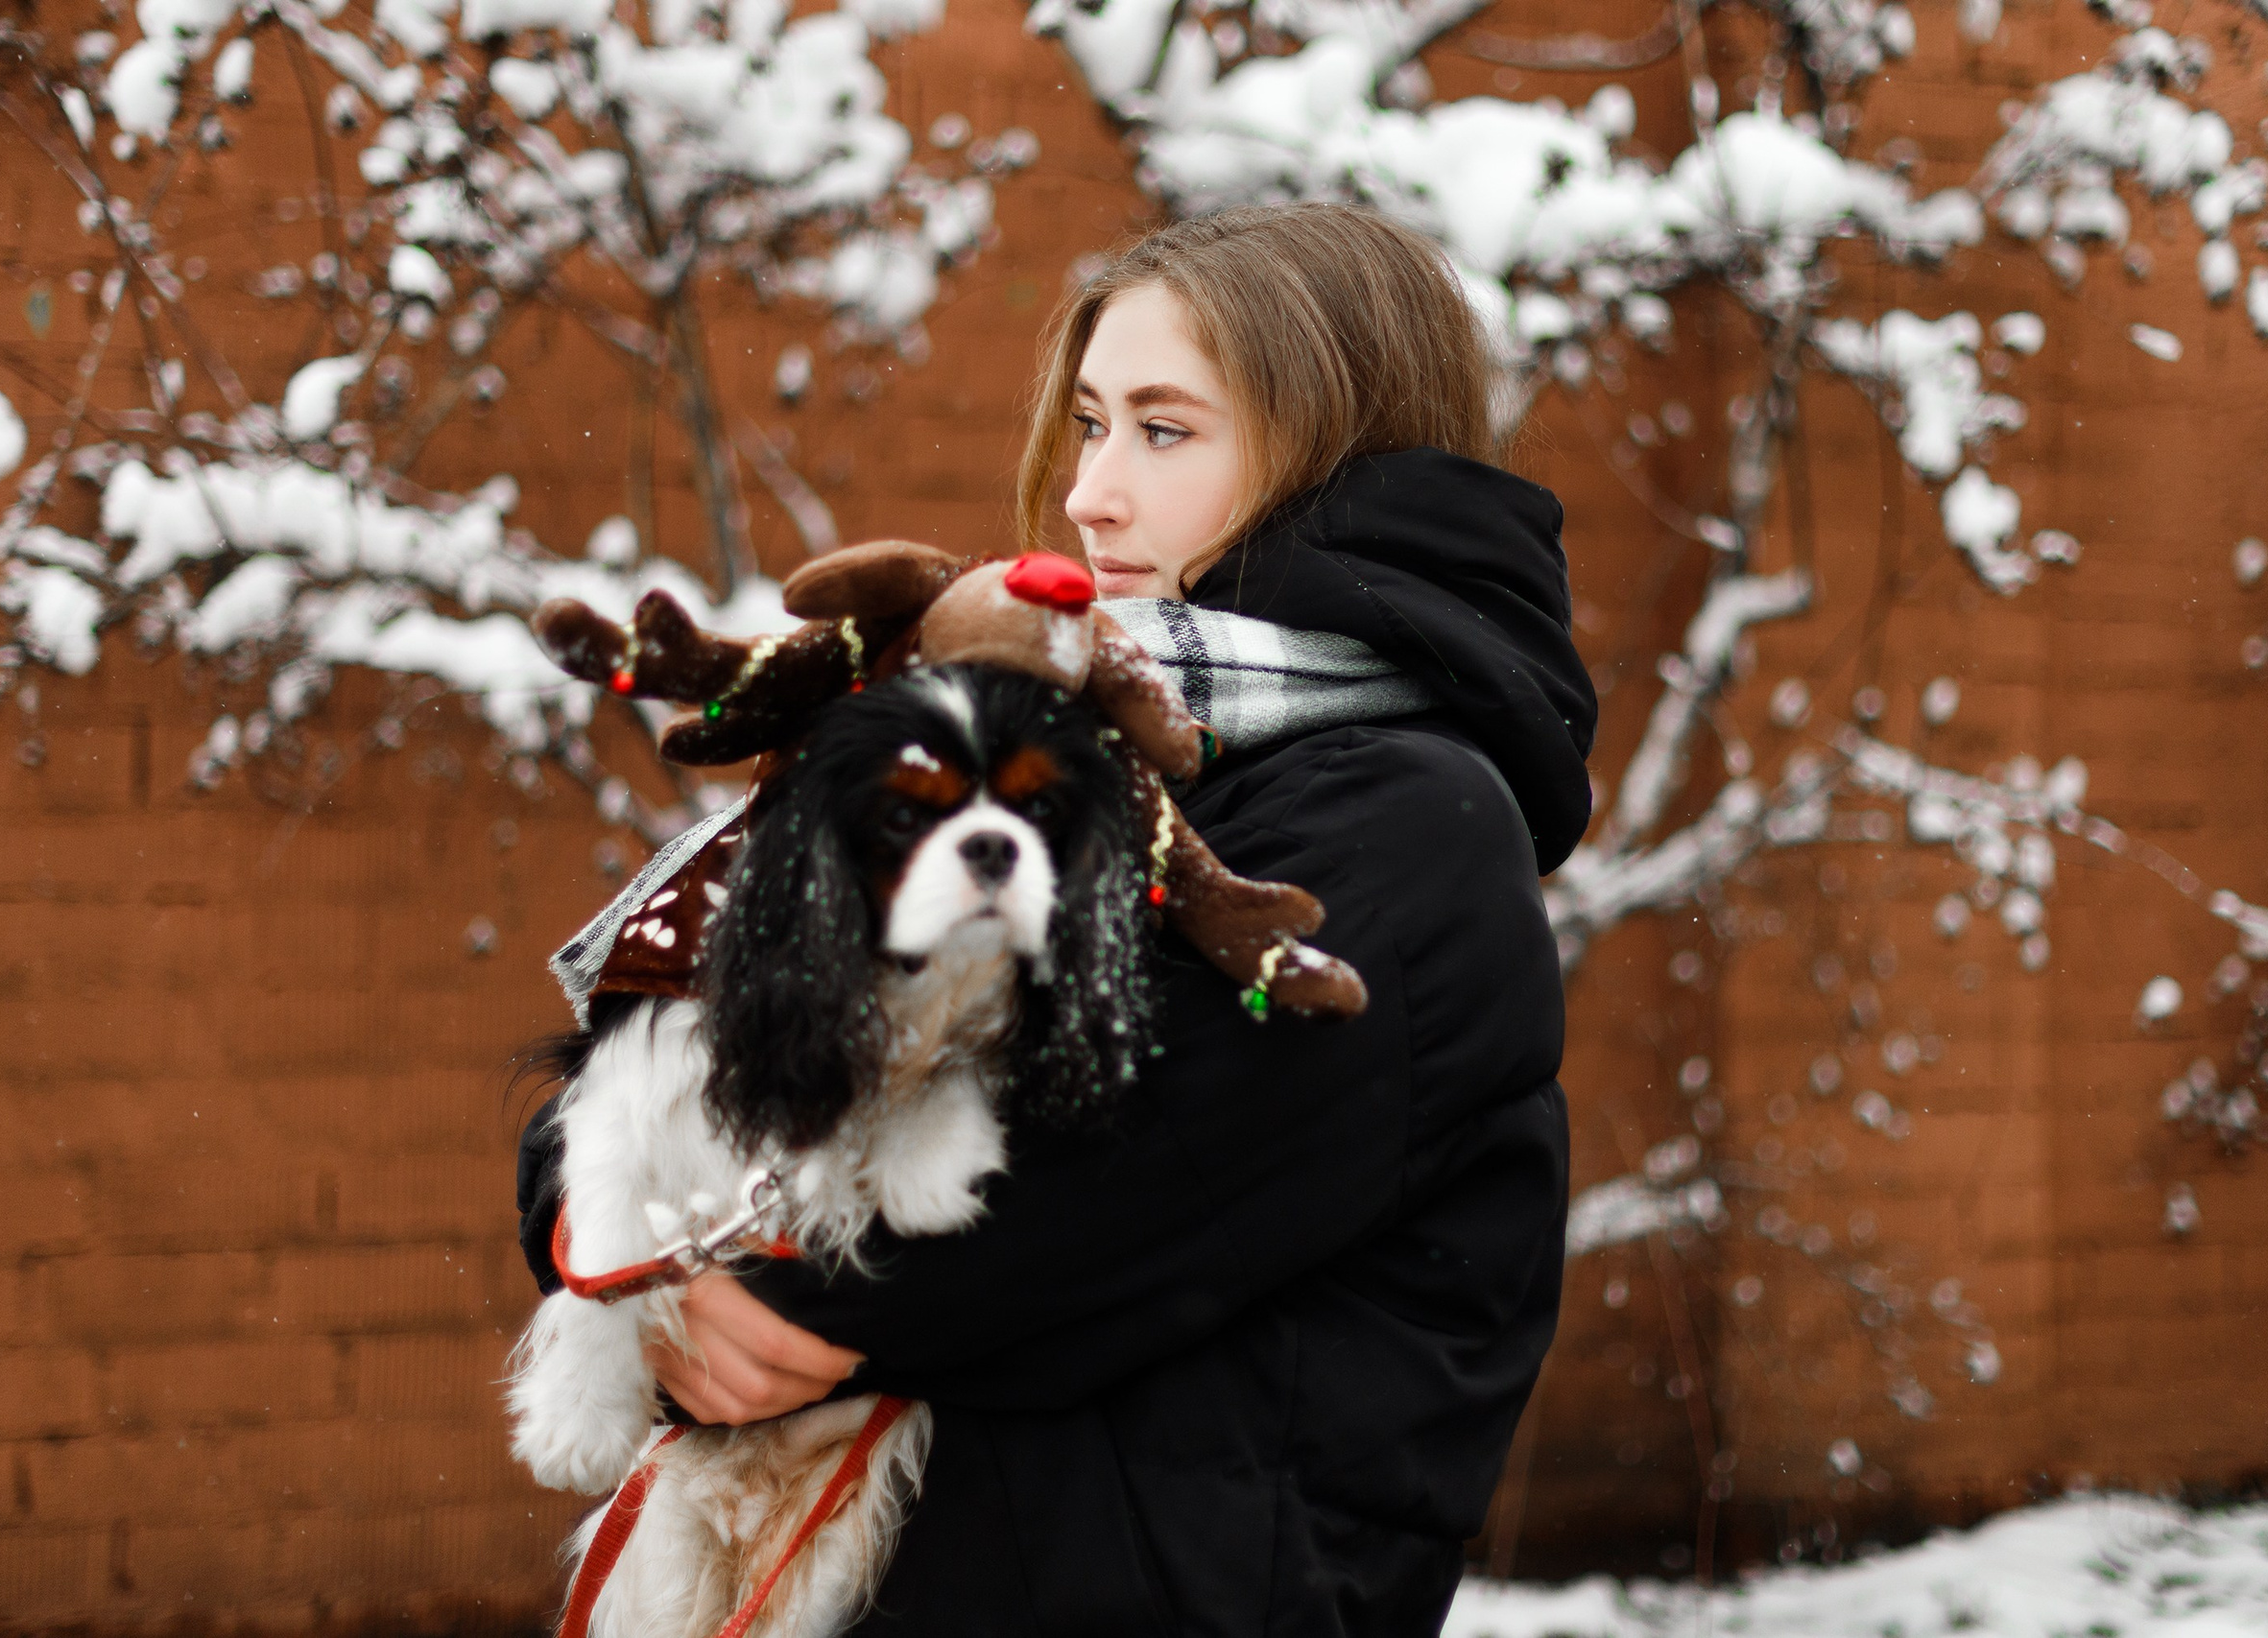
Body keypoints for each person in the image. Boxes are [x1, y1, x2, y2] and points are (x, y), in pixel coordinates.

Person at [515, 202, 1596, 1636]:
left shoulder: (1405, 829)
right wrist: (606, 1214)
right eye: (1089, 424)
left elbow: (1009, 1226)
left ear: (1339, 453)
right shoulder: (1058, 737)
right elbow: (679, 1032)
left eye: (1163, 430)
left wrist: (671, 1258)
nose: (1091, 493)